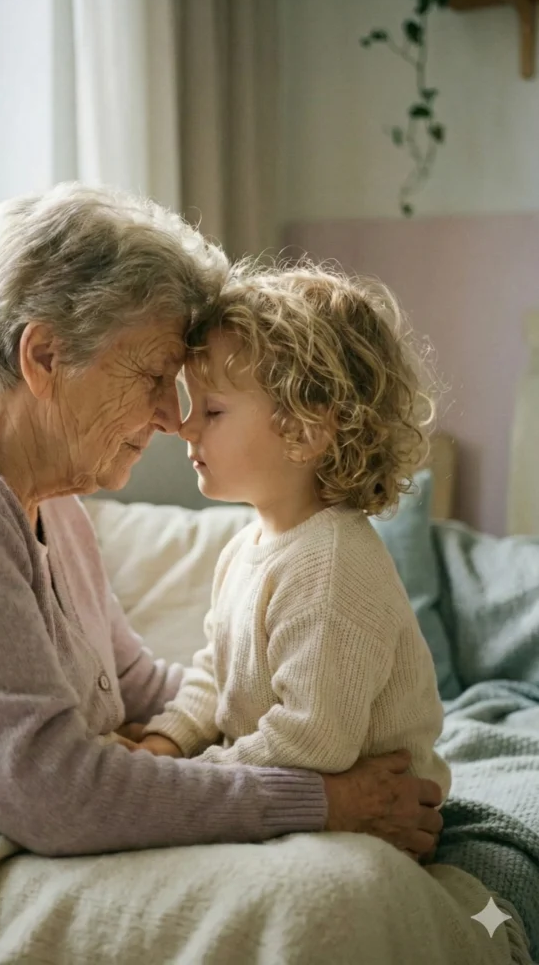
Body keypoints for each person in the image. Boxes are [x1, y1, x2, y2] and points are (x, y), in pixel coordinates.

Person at [0, 186, 443, 941]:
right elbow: (53, 793)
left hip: (1, 834)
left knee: (356, 884)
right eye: (154, 374)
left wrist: (183, 744)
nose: (170, 416)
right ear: (44, 357)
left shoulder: (47, 493)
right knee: (334, 896)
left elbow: (131, 692)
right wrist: (325, 801)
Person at [138, 266, 451, 803]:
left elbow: (313, 739)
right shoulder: (244, 548)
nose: (186, 428)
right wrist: (164, 742)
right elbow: (216, 675)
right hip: (282, 788)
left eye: (212, 409)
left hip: (378, 815)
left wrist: (192, 778)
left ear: (304, 432)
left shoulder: (332, 566)